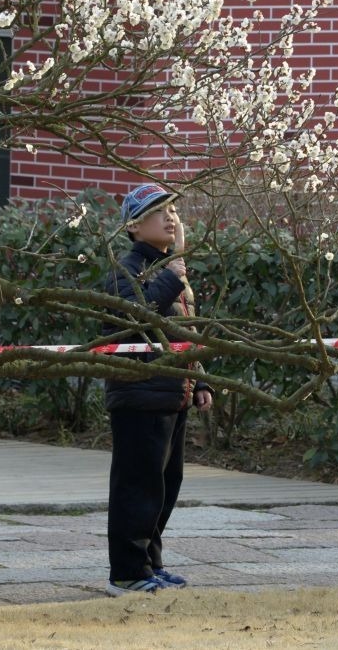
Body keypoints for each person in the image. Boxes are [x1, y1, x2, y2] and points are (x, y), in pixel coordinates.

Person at [102, 184, 213, 596]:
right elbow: (139, 318)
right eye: (158, 211)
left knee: (166, 484)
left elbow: (181, 334)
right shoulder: (126, 268)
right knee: (138, 485)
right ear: (133, 225)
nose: (171, 218)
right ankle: (126, 572)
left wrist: (198, 379)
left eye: (172, 210)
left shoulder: (170, 269)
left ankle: (150, 562)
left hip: (172, 392)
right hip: (139, 394)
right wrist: (174, 273)